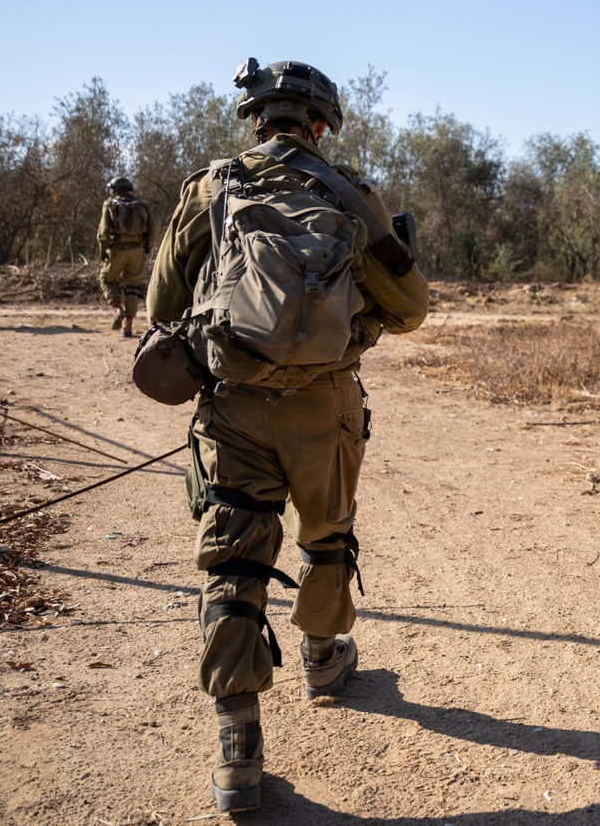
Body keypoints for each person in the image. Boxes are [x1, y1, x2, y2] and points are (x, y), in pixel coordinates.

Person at [147, 58, 429, 813]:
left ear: (255, 118)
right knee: (326, 536)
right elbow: (410, 309)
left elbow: (161, 302)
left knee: (233, 564)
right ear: (322, 124)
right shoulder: (351, 196)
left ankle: (237, 750)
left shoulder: (209, 188)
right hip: (323, 405)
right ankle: (322, 658)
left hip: (232, 405)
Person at [96, 176, 155, 337]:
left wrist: (103, 250)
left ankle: (117, 309)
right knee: (132, 287)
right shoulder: (142, 205)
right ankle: (127, 327)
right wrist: (147, 248)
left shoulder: (110, 204)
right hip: (137, 251)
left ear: (115, 190)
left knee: (106, 279)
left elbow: (104, 231)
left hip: (117, 249)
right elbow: (152, 230)